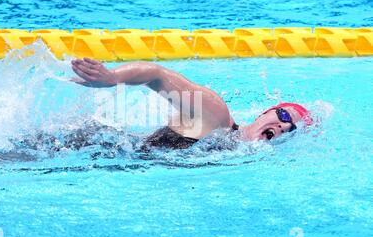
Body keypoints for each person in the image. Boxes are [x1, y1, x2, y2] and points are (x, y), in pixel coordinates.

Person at [72, 58, 313, 149]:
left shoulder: (232, 150)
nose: (284, 126)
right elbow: (156, 74)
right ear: (265, 113)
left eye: (292, 128)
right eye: (284, 116)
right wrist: (112, 78)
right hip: (85, 146)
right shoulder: (216, 116)